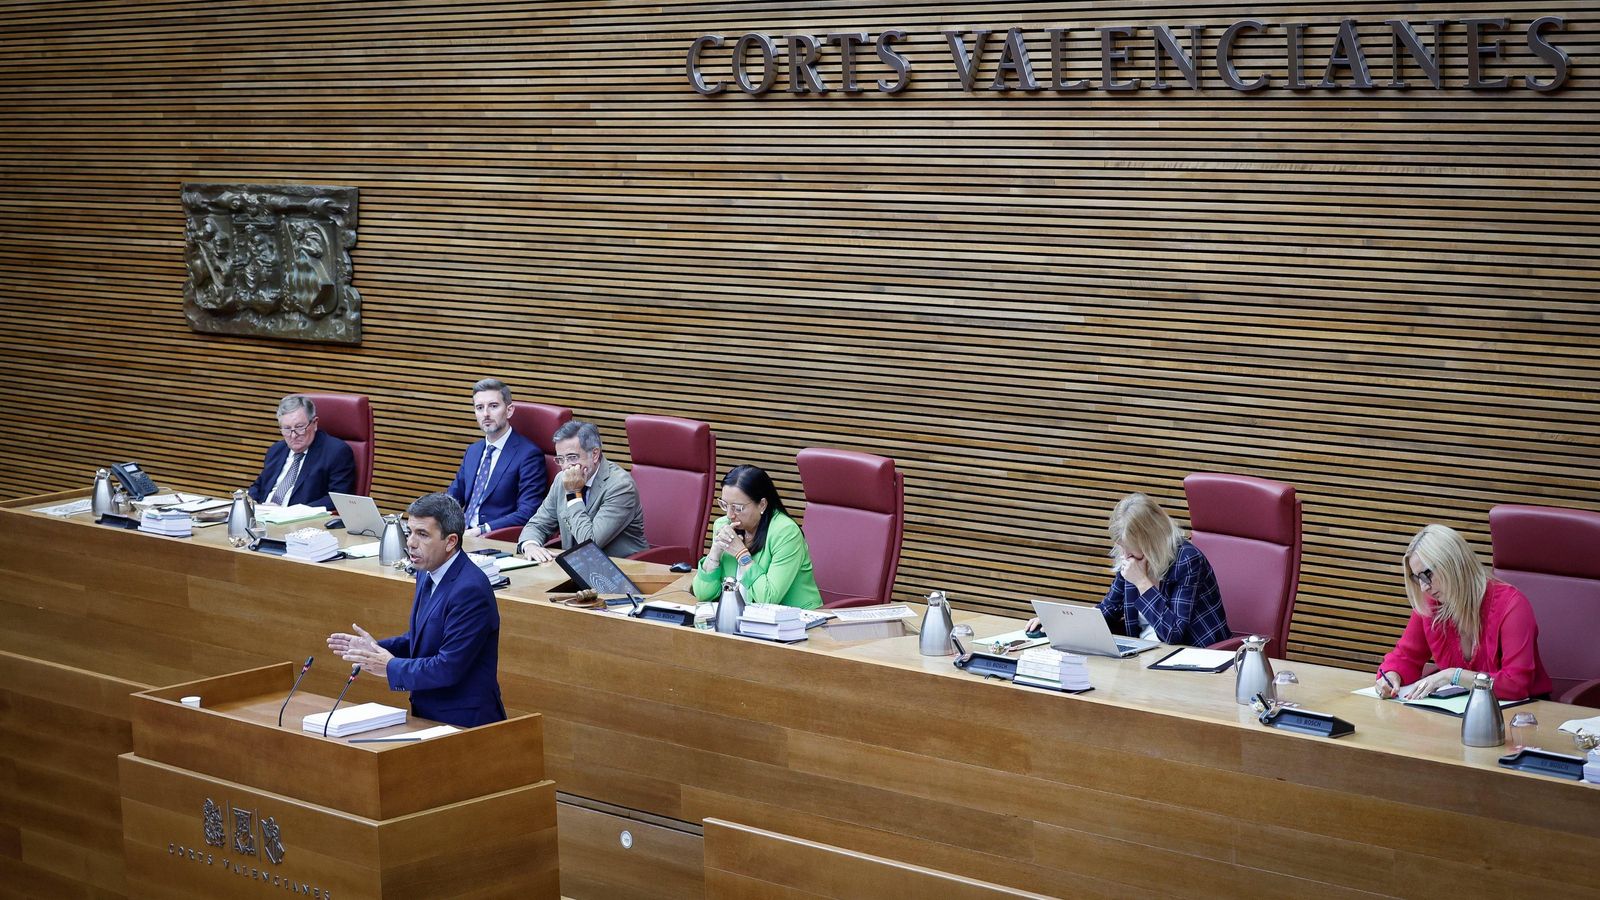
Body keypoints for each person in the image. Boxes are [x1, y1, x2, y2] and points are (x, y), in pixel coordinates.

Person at [328, 493, 505, 728]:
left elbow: (448, 667)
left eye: (422, 534)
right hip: (429, 712)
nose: (411, 542)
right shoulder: (427, 572)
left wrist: (389, 666)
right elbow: (424, 638)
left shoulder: (469, 590)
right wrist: (376, 649)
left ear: (450, 541)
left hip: (465, 722)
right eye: (409, 531)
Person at [1375, 524, 1550, 702]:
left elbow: (1516, 685)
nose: (1423, 587)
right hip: (1462, 708)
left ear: (1453, 563)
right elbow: (1405, 657)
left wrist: (1453, 675)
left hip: (1523, 712)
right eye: (1417, 578)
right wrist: (1392, 676)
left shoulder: (1512, 605)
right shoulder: (1431, 605)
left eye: (1428, 574)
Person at [1027, 492, 1230, 647]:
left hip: (1193, 658)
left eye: (1131, 549)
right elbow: (1108, 610)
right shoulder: (1132, 558)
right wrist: (1060, 623)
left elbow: (1173, 634)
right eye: (1122, 547)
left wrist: (1142, 582)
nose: (1125, 556)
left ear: (1152, 541)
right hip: (1145, 656)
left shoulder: (1188, 560)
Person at [692, 465, 822, 609]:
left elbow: (767, 598)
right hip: (740, 617)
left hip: (797, 618)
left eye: (737, 508)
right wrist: (714, 554)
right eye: (724, 505)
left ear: (762, 504)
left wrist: (741, 554)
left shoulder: (786, 533)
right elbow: (703, 595)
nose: (729, 515)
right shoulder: (723, 526)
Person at [516, 420, 647, 561]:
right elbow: (538, 524)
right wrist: (530, 545)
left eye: (572, 457)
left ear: (595, 454)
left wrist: (573, 494)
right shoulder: (562, 479)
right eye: (560, 459)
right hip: (576, 565)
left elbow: (589, 544)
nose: (566, 467)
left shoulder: (621, 486)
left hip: (620, 568)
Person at [446, 378, 546, 537]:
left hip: (494, 538)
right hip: (461, 534)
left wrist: (481, 530)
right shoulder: (473, 451)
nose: (486, 414)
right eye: (479, 407)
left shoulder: (529, 455)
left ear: (509, 410)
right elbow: (452, 498)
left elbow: (528, 512)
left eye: (493, 406)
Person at [247, 394, 356, 510]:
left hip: (298, 518)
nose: (293, 436)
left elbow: (337, 499)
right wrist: (248, 500)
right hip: (262, 514)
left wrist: (289, 512)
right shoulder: (276, 450)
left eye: (299, 427)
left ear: (315, 423)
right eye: (287, 429)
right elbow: (259, 486)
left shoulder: (336, 452)